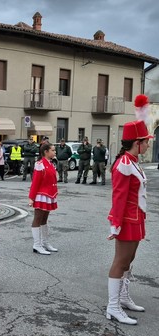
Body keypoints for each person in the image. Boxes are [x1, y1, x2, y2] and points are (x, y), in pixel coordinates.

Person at [105, 96, 153, 325]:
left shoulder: (133, 161)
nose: (149, 145)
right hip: (126, 219)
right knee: (120, 261)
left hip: (136, 218)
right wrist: (115, 223)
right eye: (146, 141)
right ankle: (113, 306)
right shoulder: (124, 164)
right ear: (137, 142)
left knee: (129, 260)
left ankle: (123, 298)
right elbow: (119, 196)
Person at [28, 142, 58, 255]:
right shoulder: (40, 164)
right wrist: (31, 197)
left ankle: (45, 242)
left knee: (44, 219)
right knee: (38, 219)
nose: (54, 152)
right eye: (53, 150)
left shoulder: (50, 163)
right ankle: (37, 244)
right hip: (41, 195)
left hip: (49, 195)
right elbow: (35, 182)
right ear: (46, 152)